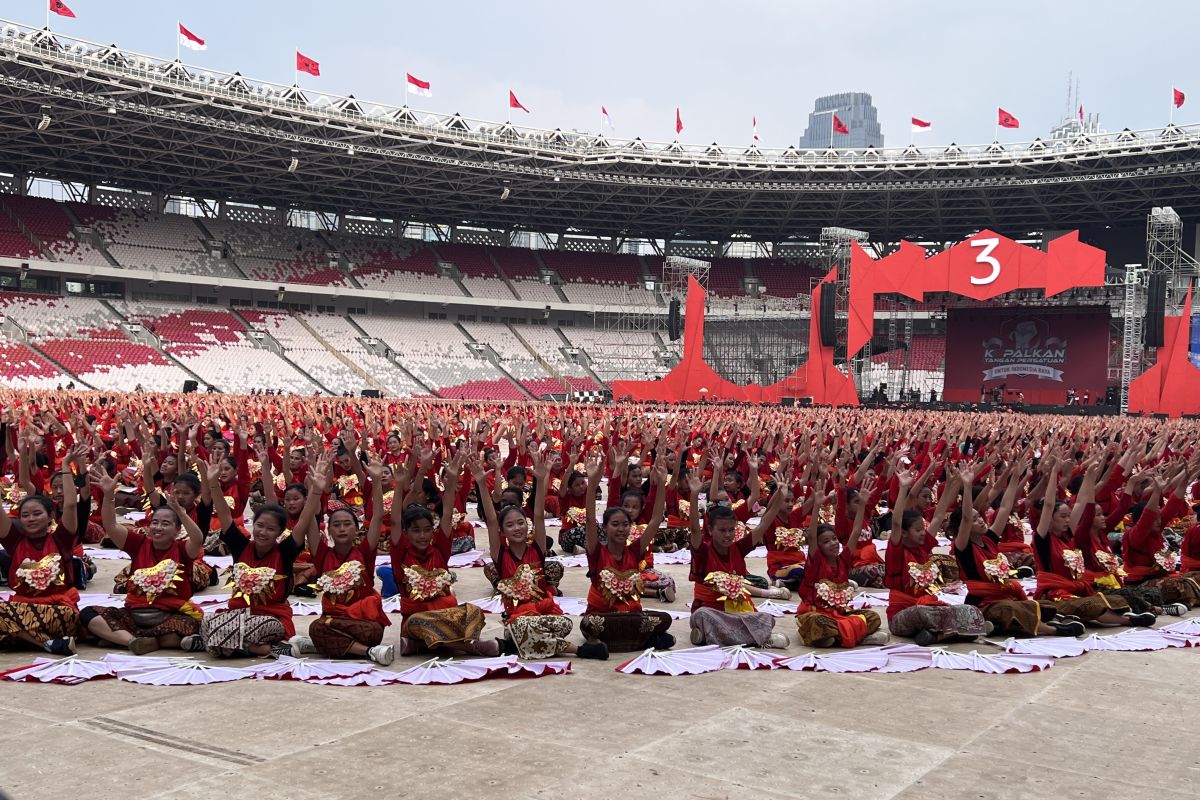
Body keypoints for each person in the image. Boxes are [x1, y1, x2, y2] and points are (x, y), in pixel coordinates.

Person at [472, 448, 606, 660]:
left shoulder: (537, 548)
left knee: (564, 623)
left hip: (544, 615)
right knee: (522, 625)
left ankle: (515, 645)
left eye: (520, 523)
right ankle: (577, 650)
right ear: (503, 531)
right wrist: (481, 484)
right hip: (518, 619)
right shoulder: (501, 554)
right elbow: (490, 520)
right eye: (510, 525)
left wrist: (541, 480)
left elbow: (539, 516)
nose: (517, 528)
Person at [187, 457, 326, 657]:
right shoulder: (240, 545)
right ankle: (261, 649)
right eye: (260, 526)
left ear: (280, 532)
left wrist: (316, 491)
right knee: (208, 620)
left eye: (270, 529)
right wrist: (213, 484)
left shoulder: (285, 551)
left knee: (265, 626)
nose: (263, 532)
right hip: (238, 615)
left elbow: (304, 519)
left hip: (271, 619)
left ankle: (218, 643)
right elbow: (225, 515)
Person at [83, 463, 205, 655]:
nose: (158, 527)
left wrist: (180, 512)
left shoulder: (182, 550)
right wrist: (108, 496)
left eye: (165, 524)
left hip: (169, 616)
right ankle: (134, 641)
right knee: (88, 614)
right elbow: (111, 525)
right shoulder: (138, 544)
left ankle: (124, 639)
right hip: (134, 614)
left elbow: (198, 539)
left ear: (177, 530)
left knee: (192, 624)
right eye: (155, 522)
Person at [953, 463, 1083, 638]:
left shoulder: (989, 539)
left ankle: (998, 627)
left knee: (1039, 606)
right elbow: (967, 518)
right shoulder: (963, 547)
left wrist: (1014, 476)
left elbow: (1005, 507)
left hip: (1004, 596)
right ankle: (1054, 630)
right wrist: (967, 487)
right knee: (1012, 609)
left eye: (980, 517)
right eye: (976, 519)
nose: (981, 521)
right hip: (983, 602)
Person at [390, 449, 497, 657]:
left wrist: (452, 481)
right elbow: (394, 520)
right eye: (415, 530)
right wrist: (398, 489)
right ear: (405, 532)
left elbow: (447, 513)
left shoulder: (439, 549)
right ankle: (471, 648)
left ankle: (420, 645)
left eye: (426, 530)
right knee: (422, 621)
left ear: (433, 530)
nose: (422, 535)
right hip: (417, 620)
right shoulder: (401, 553)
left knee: (474, 612)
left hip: (445, 612)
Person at [292, 455, 395, 665]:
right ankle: (368, 653)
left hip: (364, 623)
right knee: (317, 627)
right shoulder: (323, 555)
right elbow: (309, 519)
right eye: (336, 525)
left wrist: (375, 482)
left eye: (347, 524)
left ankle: (320, 645)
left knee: (368, 632)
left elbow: (376, 516)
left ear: (356, 529)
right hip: (333, 620)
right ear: (329, 530)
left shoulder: (365, 551)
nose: (341, 528)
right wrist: (316, 490)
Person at [1032, 459, 1154, 628]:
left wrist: (1089, 475)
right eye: (1062, 517)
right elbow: (1048, 504)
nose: (1068, 520)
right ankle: (1127, 620)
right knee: (1091, 604)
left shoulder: (1068, 536)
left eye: (1069, 516)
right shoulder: (1042, 539)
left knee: (1116, 598)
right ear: (1050, 519)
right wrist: (1054, 472)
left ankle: (1068, 617)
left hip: (1076, 588)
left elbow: (1081, 502)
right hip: (1054, 593)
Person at [578, 450, 675, 653]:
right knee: (590, 623)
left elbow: (656, 519)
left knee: (663, 618)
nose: (621, 529)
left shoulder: (634, 551)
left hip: (630, 616)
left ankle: (618, 642)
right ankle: (640, 640)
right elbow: (589, 518)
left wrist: (662, 485)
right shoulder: (596, 551)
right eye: (615, 524)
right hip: (602, 618)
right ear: (605, 528)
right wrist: (592, 482)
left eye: (625, 525)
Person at [687, 464, 790, 649]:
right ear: (710, 530)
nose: (728, 534)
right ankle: (754, 637)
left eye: (731, 530)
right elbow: (694, 529)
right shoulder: (703, 551)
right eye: (722, 530)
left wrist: (780, 497)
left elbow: (764, 524)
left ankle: (717, 636)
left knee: (767, 619)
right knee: (703, 616)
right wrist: (694, 496)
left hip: (737, 611)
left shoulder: (738, 548)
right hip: (711, 611)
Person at [885, 469, 989, 646]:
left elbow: (939, 515)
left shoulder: (923, 547)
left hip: (929, 606)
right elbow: (896, 521)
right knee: (921, 612)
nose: (922, 533)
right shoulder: (896, 552)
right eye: (918, 530)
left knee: (970, 610)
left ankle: (939, 635)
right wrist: (903, 488)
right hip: (902, 615)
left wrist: (951, 484)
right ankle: (957, 630)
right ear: (903, 533)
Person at [0, 464, 85, 655]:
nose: (30, 519)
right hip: (21, 609)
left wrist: (65, 467)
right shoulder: (14, 542)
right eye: (25, 515)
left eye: (37, 514)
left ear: (50, 517)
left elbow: (71, 504)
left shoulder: (61, 539)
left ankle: (23, 637)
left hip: (59, 612)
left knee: (6, 620)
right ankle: (48, 644)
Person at [795, 476, 887, 648]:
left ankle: (838, 637)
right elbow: (812, 534)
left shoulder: (843, 559)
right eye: (826, 541)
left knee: (873, 617)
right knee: (817, 622)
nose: (833, 543)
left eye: (835, 539)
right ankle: (854, 636)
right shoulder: (815, 561)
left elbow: (856, 531)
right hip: (815, 613)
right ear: (818, 546)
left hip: (839, 613)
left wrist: (862, 506)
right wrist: (816, 506)